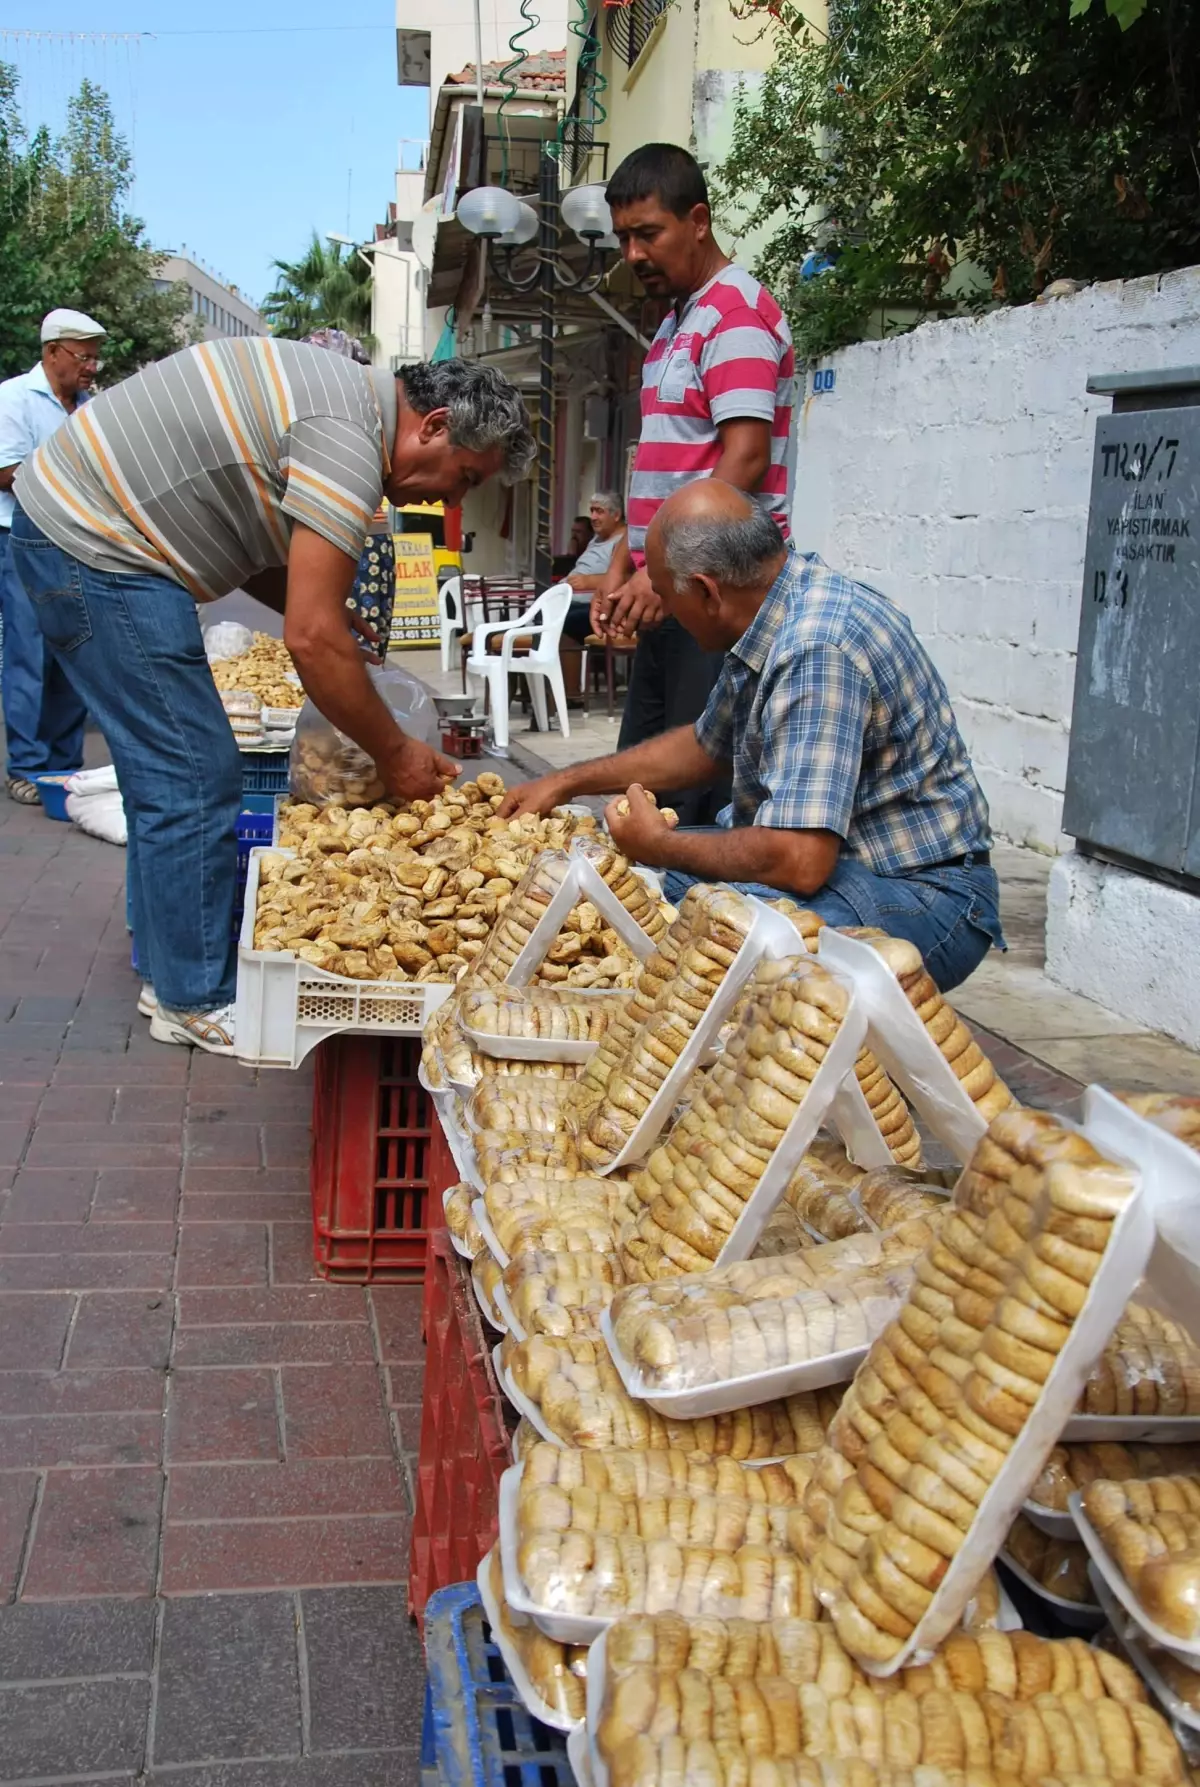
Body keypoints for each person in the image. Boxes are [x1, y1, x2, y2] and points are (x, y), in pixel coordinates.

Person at [12, 343, 534, 1053]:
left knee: (167, 772)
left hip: (86, 536)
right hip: (97, 547)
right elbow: (311, 639)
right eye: (463, 477)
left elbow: (273, 564)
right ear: (434, 425)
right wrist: (395, 752)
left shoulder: (350, 407)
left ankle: (167, 967)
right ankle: (189, 997)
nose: (450, 500)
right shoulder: (350, 441)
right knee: (195, 773)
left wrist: (320, 608)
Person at [500, 481, 1004, 992]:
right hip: (839, 866)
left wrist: (660, 845)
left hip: (923, 893)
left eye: (668, 593)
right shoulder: (772, 606)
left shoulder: (815, 647)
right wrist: (566, 782)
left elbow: (798, 859)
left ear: (706, 590)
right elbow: (703, 748)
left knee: (701, 951)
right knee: (617, 885)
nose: (666, 610)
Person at [589, 143, 796, 826]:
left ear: (699, 220)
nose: (634, 254)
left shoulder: (735, 315)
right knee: (642, 795)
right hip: (673, 591)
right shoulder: (676, 325)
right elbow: (660, 465)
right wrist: (624, 565)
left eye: (648, 233)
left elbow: (744, 458)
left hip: (719, 598)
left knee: (696, 807)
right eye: (623, 238)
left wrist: (665, 571)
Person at [0, 308, 103, 805]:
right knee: (28, 655)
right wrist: (69, 481)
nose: (90, 368)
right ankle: (26, 765)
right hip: (20, 542)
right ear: (52, 352)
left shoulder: (87, 406)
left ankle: (62, 766)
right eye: (83, 357)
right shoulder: (14, 398)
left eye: (95, 360)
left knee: (71, 653)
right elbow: (5, 471)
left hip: (73, 542)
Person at [560, 492, 628, 696]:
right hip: (569, 599)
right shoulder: (597, 539)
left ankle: (571, 694)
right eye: (592, 511)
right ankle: (537, 694)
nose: (594, 517)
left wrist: (589, 581)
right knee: (533, 622)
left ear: (616, 515)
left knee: (566, 623)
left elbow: (628, 578)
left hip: (599, 607)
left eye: (600, 511)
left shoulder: (623, 541)